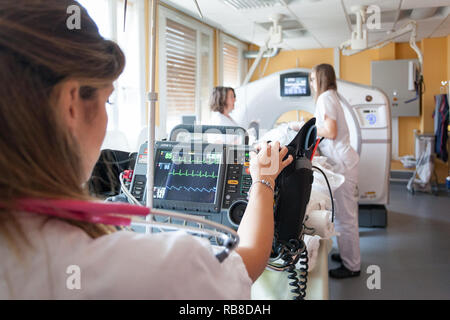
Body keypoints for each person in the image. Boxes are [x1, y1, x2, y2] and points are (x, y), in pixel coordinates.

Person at [0, 0, 293, 299]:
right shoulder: (151, 267)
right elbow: (244, 264)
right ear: (72, 105)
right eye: (107, 101)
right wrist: (263, 180)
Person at [310, 64, 361, 279]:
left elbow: (330, 131)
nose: (311, 84)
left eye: (313, 79)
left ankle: (352, 266)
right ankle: (348, 255)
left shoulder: (325, 98)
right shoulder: (331, 96)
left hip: (343, 164)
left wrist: (307, 128)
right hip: (344, 161)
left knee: (345, 218)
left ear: (321, 78)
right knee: (344, 215)